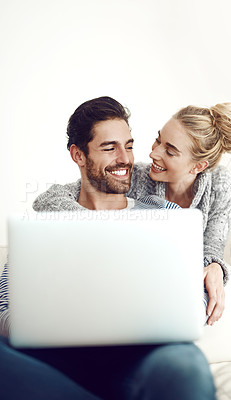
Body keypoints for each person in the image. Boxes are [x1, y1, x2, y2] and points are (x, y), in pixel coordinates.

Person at [0, 96, 216, 400]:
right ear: (78, 155)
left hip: (142, 358)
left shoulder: (165, 215)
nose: (125, 158)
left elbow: (192, 298)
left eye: (128, 145)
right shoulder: (44, 225)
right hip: (59, 361)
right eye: (109, 147)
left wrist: (211, 272)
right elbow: (7, 308)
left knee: (186, 365)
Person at [33, 101, 231, 326]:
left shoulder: (219, 185)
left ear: (198, 167)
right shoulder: (136, 176)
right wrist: (96, 229)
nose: (153, 153)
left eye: (170, 151)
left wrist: (213, 265)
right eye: (158, 140)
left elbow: (212, 245)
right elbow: (59, 198)